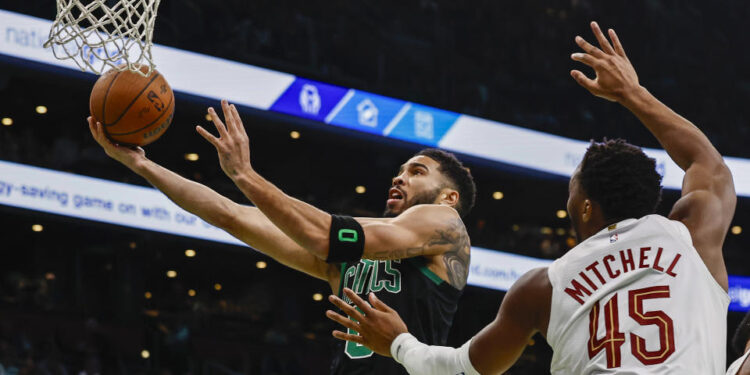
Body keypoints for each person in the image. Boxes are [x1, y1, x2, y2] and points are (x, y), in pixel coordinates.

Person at [326, 21, 736, 375]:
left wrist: (399, 341)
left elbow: (459, 368)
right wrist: (631, 93)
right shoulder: (692, 235)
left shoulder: (544, 285)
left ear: (587, 206)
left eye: (572, 191)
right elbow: (708, 163)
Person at [87, 99, 477, 374]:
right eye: (401, 170)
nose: (400, 176)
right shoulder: (357, 253)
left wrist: (245, 175)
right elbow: (231, 216)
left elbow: (326, 234)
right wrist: (140, 164)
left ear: (449, 196)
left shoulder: (447, 224)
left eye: (417, 172)